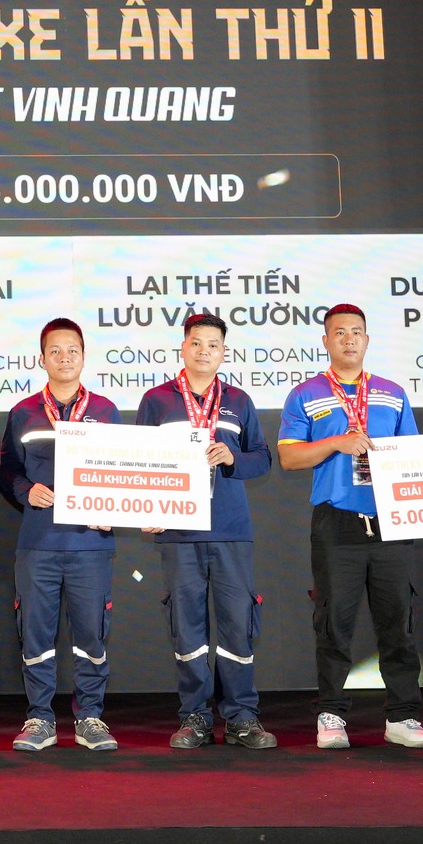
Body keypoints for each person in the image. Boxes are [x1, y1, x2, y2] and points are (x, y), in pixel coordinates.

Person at [277, 304, 423, 751]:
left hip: (390, 520)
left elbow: (414, 459)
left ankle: (402, 716)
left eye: (357, 332)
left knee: (398, 623)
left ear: (367, 339)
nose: (349, 339)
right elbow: (289, 457)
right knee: (334, 623)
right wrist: (336, 443)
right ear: (325, 341)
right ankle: (331, 715)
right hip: (336, 522)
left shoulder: (392, 393)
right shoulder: (305, 394)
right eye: (339, 332)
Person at [138, 312, 277, 751]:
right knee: (188, 630)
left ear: (223, 352)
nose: (204, 351)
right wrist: (147, 507)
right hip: (179, 532)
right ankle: (195, 716)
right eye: (196, 343)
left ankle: (241, 717)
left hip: (231, 531)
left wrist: (233, 458)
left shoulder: (239, 400)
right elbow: (140, 463)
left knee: (238, 626)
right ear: (183, 347)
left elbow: (262, 458)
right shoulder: (157, 400)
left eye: (213, 344)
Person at [0, 318, 120, 753]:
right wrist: (25, 491)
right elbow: (6, 470)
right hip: (39, 544)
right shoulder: (23, 412)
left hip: (91, 544)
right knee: (36, 635)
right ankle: (40, 718)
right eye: (55, 351)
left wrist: (115, 509)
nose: (64, 358)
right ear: (42, 358)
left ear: (84, 357)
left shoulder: (106, 410)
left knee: (91, 636)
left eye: (72, 350)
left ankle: (90, 717)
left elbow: (124, 472)